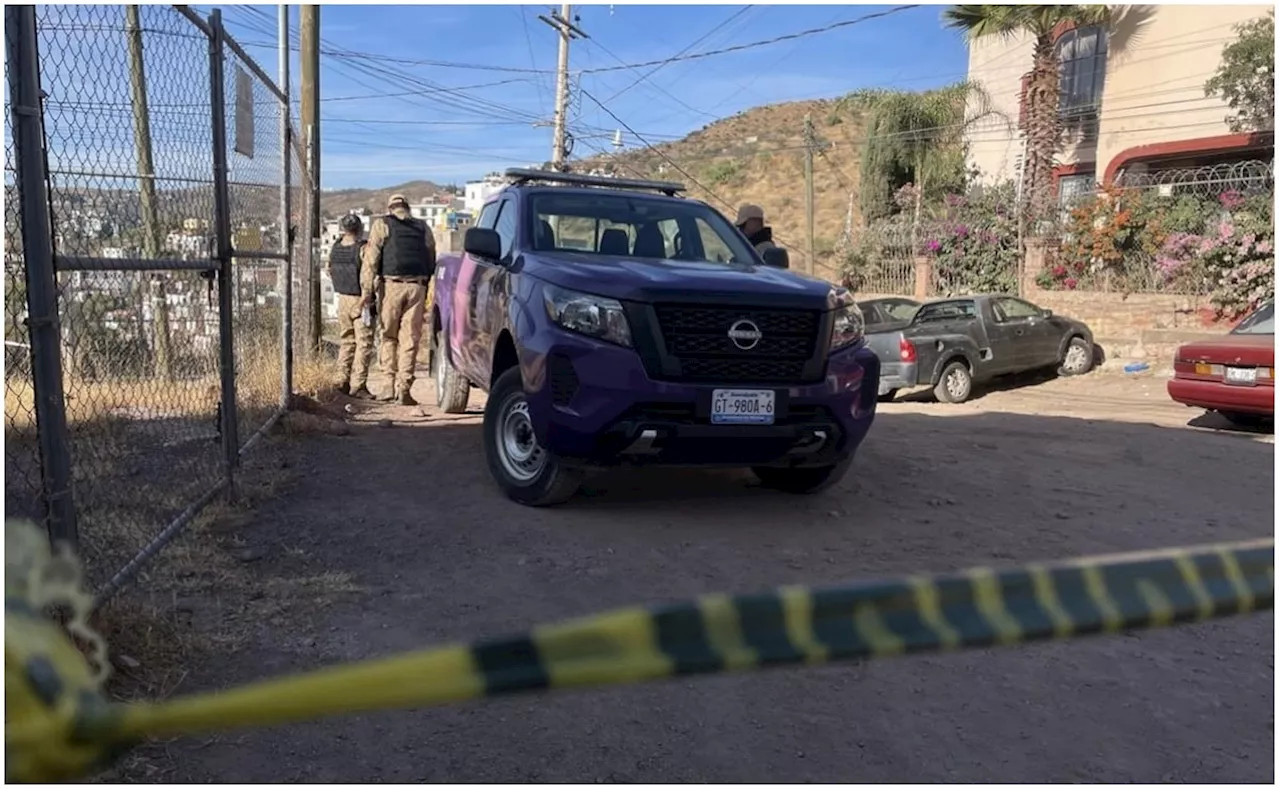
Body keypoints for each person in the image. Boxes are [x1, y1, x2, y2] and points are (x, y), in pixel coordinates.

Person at [363, 193, 436, 405]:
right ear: (407, 207)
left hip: (391, 287)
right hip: (417, 288)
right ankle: (404, 388)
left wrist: (367, 292)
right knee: (410, 340)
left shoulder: (382, 225)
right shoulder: (423, 228)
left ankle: (388, 385)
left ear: (390, 208)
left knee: (388, 337)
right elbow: (431, 257)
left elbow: (371, 260)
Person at [328, 213, 375, 399]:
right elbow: (368, 274)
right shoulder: (362, 249)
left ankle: (341, 380)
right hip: (359, 299)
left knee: (346, 341)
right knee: (364, 343)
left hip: (342, 299)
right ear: (360, 228)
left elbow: (330, 270)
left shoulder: (335, 247)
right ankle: (359, 385)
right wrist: (368, 297)